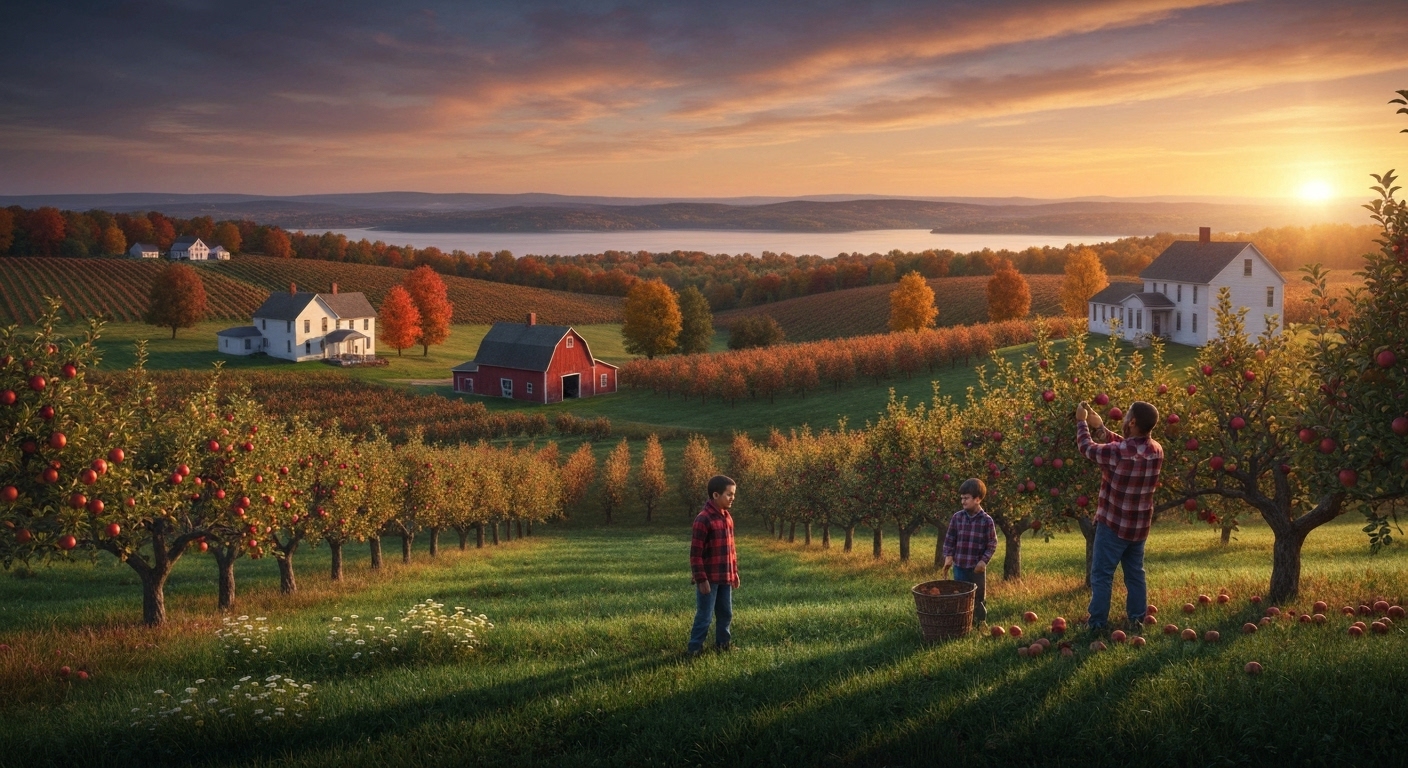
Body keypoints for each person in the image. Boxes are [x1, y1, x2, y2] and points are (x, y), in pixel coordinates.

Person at [1075, 400, 1164, 636]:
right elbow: (1129, 447)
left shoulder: (1119, 452)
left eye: (1127, 416)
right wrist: (1101, 428)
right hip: (1139, 527)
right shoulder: (1156, 450)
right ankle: (1137, 619)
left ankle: (1096, 624)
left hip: (1113, 524)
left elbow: (1087, 448)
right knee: (1135, 573)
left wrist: (1082, 422)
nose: (1124, 418)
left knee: (1102, 574)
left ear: (1133, 422)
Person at [688, 474, 739, 656]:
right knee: (705, 616)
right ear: (716, 495)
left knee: (726, 614)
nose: (732, 498)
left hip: (725, 577)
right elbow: (695, 554)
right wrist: (701, 579)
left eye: (733, 494)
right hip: (709, 579)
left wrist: (734, 572)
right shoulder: (703, 519)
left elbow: (730, 549)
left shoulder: (727, 517)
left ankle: (723, 645)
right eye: (729, 494)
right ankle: (695, 648)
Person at [941, 478, 997, 624]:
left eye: (966, 498)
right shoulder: (957, 518)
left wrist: (984, 561)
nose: (963, 501)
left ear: (977, 499)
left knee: (978, 597)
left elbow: (992, 543)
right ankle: (962, 623)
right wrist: (948, 556)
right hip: (960, 565)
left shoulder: (986, 521)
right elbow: (950, 539)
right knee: (960, 595)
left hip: (976, 568)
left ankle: (980, 623)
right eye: (962, 498)